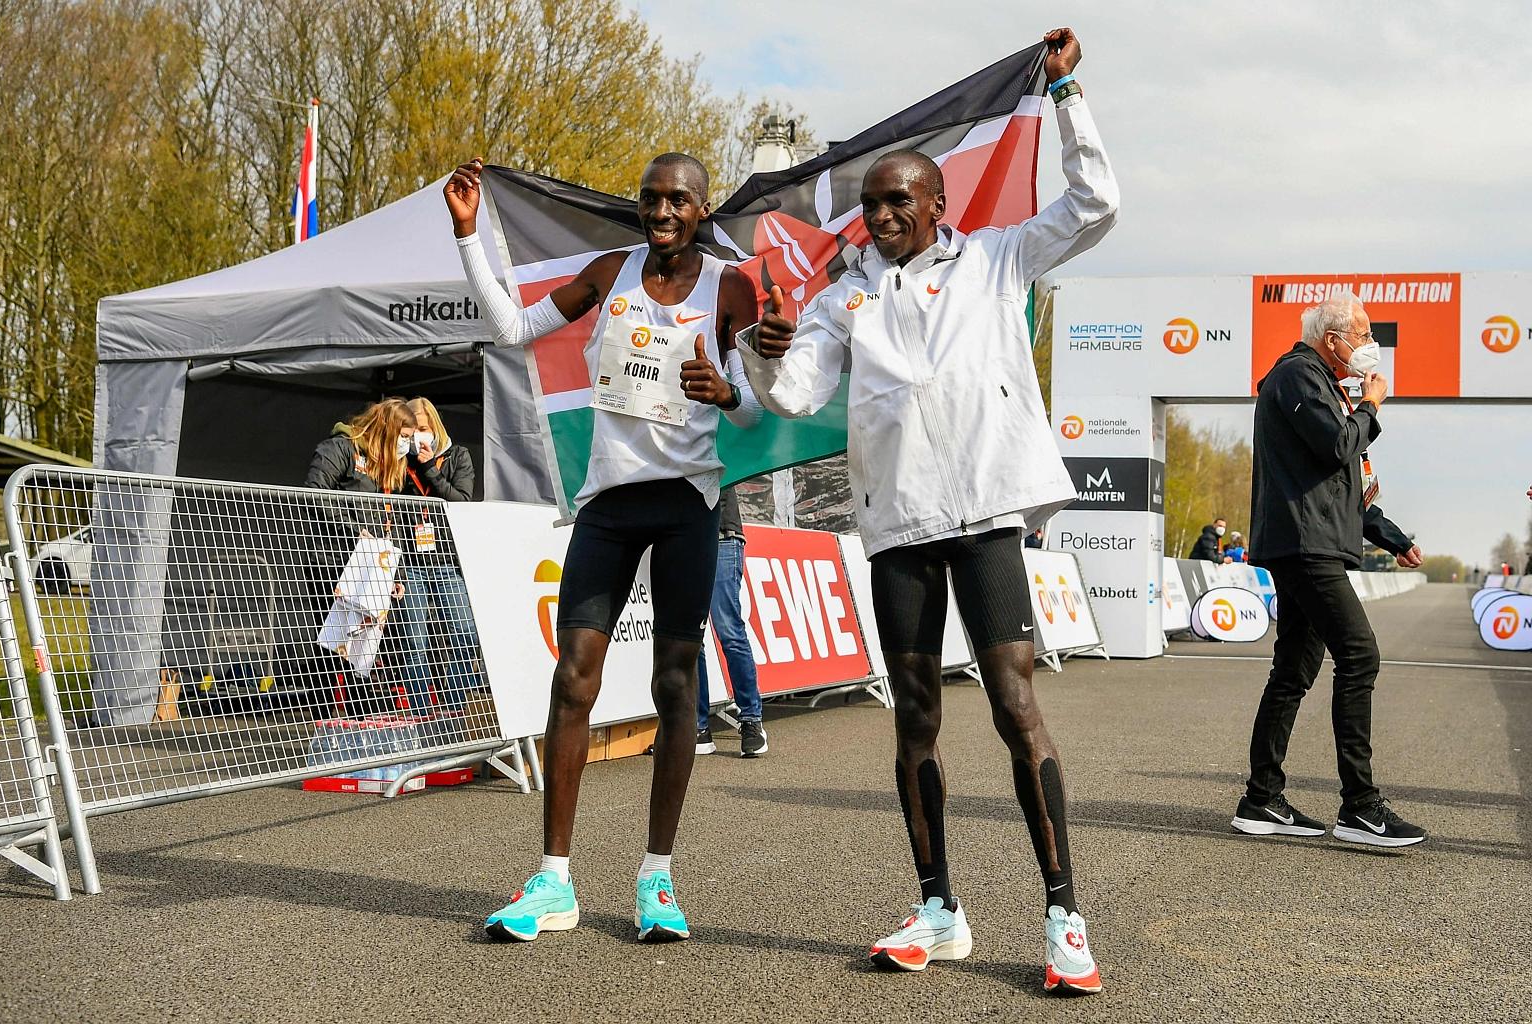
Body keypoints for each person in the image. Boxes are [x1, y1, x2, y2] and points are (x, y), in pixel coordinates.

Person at [741, 27, 1116, 994]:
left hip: (986, 515)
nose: (879, 217)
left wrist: (1068, 99)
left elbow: (1096, 204)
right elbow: (790, 397)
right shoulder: (841, 299)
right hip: (898, 526)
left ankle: (1065, 915)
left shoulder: (997, 259)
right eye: (869, 206)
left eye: (897, 200)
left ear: (938, 204)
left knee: (1014, 708)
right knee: (913, 720)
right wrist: (764, 345)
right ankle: (938, 908)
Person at [444, 151, 763, 943]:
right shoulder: (608, 270)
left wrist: (727, 393)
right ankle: (554, 882)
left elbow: (762, 410)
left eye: (678, 201)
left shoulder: (731, 285)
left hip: (690, 504)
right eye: (651, 199)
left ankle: (657, 877)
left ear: (700, 208)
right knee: (573, 677)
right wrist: (468, 235)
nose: (661, 211)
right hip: (609, 505)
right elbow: (515, 328)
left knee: (675, 684)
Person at [1233, 289, 1426, 848]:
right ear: (1333, 338)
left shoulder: (1327, 386)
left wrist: (1393, 539)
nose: (1371, 345)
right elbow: (1338, 446)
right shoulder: (1296, 374)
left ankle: (1261, 799)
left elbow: (1346, 485)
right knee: (1359, 653)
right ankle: (1361, 807)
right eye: (1364, 334)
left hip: (1315, 539)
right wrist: (1370, 406)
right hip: (1303, 545)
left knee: (1293, 671)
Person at [304, 398, 415, 713]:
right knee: (332, 640)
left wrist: (398, 575)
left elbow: (388, 523)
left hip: (374, 568)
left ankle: (361, 718)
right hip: (333, 561)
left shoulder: (385, 467)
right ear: (386, 429)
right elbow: (314, 491)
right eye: (402, 436)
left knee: (368, 640)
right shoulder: (341, 448)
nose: (405, 444)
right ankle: (323, 717)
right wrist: (354, 531)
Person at [393, 397, 480, 719]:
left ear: (435, 428)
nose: (418, 437)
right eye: (413, 431)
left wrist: (430, 469)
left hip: (446, 561)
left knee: (463, 632)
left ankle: (454, 705)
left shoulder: (458, 456)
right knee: (414, 639)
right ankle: (420, 711)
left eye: (424, 430)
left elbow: (461, 500)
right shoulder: (402, 460)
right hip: (410, 564)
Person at [695, 486, 766, 757]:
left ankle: (751, 719)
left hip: (723, 534)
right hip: (685, 537)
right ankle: (698, 727)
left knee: (729, 631)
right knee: (690, 637)